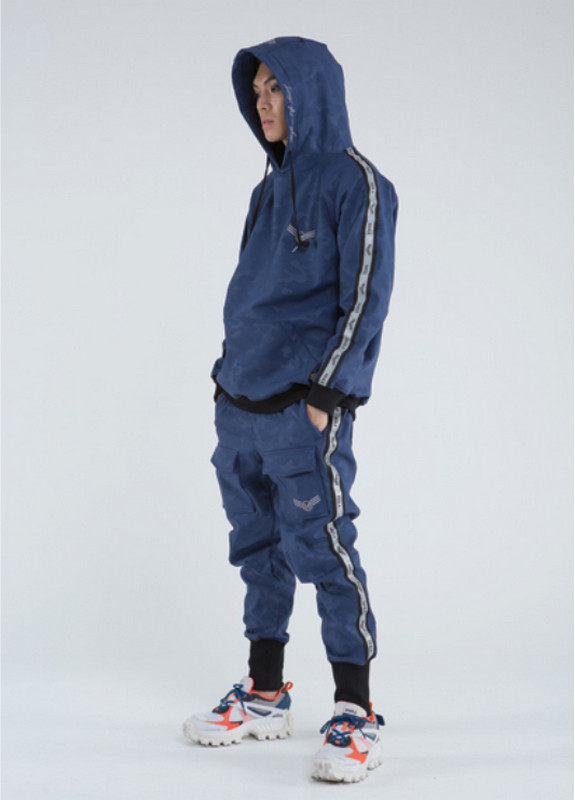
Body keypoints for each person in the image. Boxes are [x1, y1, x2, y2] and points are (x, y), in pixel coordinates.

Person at [183, 36, 398, 783]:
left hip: (302, 409)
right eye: (257, 91)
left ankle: (355, 711)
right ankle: (265, 693)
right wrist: (224, 382)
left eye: (277, 88)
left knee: (323, 546)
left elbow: (366, 297)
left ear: (312, 92)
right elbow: (248, 294)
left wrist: (327, 395)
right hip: (238, 402)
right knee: (257, 549)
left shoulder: (358, 183)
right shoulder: (267, 189)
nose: (264, 102)